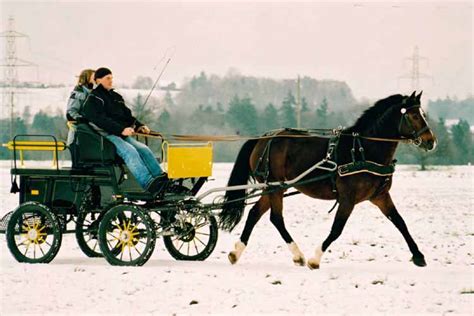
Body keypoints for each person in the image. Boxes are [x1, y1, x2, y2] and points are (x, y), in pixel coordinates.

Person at [82, 67, 167, 194]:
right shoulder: (93, 99)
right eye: (107, 78)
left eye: (112, 78)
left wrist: (139, 125)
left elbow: (127, 116)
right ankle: (148, 183)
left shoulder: (116, 97)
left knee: (144, 149)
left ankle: (160, 179)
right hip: (105, 136)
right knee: (130, 151)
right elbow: (101, 120)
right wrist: (121, 130)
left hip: (120, 134)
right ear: (98, 80)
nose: (111, 81)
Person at [66, 69, 95, 145]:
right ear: (87, 78)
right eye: (94, 77)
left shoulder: (94, 92)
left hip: (90, 133)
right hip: (79, 134)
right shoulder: (79, 93)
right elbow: (70, 113)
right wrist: (83, 120)